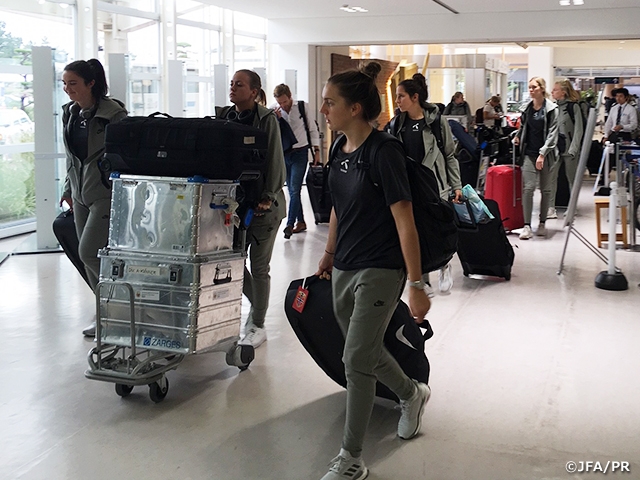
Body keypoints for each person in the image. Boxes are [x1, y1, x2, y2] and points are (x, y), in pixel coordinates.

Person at [316, 61, 431, 480]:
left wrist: (416, 284)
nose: (324, 109)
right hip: (345, 264)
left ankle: (351, 458)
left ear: (357, 109)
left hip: (381, 268)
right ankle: (411, 393)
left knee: (355, 360)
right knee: (364, 352)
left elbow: (405, 221)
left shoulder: (384, 153)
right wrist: (329, 252)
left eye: (331, 103)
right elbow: (338, 206)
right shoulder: (337, 148)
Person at [216, 70, 286, 349]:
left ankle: (257, 322)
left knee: (259, 267)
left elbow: (275, 161)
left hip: (263, 207)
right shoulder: (225, 117)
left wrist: (268, 195)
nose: (232, 88)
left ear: (255, 92)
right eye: (231, 83)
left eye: (239, 84)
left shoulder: (267, 120)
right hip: (234, 205)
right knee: (234, 263)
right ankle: (256, 307)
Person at [60, 59, 127, 337]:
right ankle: (106, 314)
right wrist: (67, 189)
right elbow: (71, 158)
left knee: (90, 252)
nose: (67, 89)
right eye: (64, 84)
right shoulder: (70, 114)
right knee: (85, 256)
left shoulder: (114, 114)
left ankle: (123, 309)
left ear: (91, 83)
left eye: (73, 83)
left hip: (104, 193)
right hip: (80, 195)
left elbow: (125, 154)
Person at [389, 73, 462, 295]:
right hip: (410, 187)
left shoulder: (438, 123)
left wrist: (456, 185)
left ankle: (444, 264)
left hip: (435, 185)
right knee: (416, 231)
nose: (397, 101)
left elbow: (450, 155)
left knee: (437, 229)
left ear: (414, 97)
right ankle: (423, 278)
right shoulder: (396, 125)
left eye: (401, 96)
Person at [272, 83, 321, 239]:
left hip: (301, 152)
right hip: (285, 154)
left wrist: (317, 150)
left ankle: (289, 224)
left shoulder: (301, 106)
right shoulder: (274, 110)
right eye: (280, 102)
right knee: (292, 190)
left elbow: (312, 128)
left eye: (285, 102)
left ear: (290, 96)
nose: (283, 105)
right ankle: (301, 222)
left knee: (294, 189)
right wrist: (276, 118)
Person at [513, 77, 559, 240]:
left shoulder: (552, 108)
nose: (531, 90)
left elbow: (553, 134)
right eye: (530, 87)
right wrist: (518, 136)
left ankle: (542, 223)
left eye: (534, 87)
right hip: (529, 153)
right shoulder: (527, 108)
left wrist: (542, 154)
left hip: (546, 155)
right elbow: (524, 126)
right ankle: (527, 225)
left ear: (541, 88)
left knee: (546, 190)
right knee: (528, 188)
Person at [548, 79, 584, 219]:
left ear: (563, 92)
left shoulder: (573, 107)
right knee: (551, 178)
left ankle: (572, 207)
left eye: (555, 90)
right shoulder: (553, 108)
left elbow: (578, 130)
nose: (552, 92)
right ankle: (551, 207)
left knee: (572, 178)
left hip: (569, 148)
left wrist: (574, 148)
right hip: (555, 148)